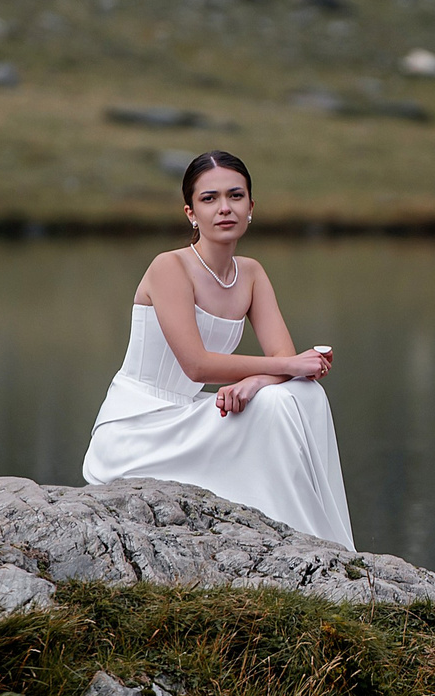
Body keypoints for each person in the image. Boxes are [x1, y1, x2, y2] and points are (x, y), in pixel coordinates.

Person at [81, 150, 355, 549]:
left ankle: (325, 542)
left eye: (235, 196)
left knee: (303, 393)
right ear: (191, 212)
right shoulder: (168, 267)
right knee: (280, 400)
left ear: (251, 207)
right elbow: (196, 366)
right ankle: (300, 542)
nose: (224, 208)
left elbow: (287, 363)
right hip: (137, 428)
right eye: (209, 199)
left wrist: (254, 383)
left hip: (189, 416)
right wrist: (280, 369)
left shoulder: (251, 273)